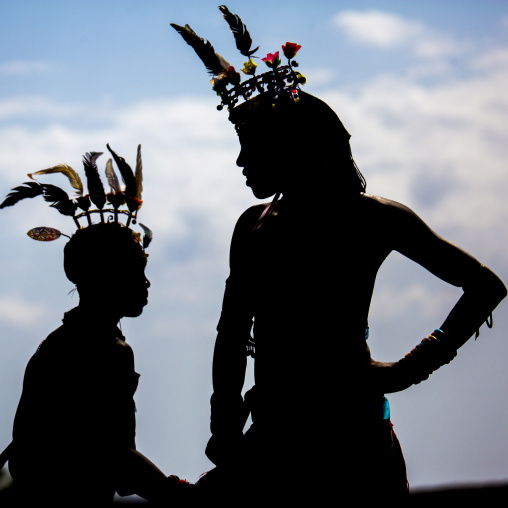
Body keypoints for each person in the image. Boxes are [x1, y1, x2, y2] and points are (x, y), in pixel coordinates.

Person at [172, 7, 507, 504]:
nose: (242, 161)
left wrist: (407, 369)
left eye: (253, 146)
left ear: (296, 147)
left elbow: (484, 284)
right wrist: (224, 425)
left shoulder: (372, 218)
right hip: (274, 440)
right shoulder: (253, 226)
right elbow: (231, 333)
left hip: (354, 445)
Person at [0, 147, 187, 505]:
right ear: (103, 278)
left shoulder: (57, 342)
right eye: (135, 272)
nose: (146, 284)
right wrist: (178, 495)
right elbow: (117, 458)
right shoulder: (109, 350)